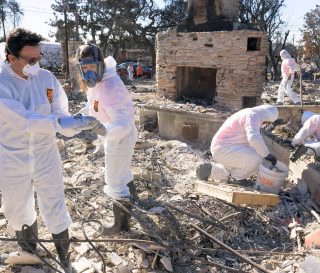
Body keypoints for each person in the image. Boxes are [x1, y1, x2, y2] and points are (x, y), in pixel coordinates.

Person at [0, 28, 100, 272]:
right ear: (11, 58)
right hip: (13, 157)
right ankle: (29, 257)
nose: (37, 64)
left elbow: (60, 111)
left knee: (55, 205)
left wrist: (73, 123)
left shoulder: (45, 78)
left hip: (46, 154)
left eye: (39, 58)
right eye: (31, 60)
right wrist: (58, 123)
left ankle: (64, 259)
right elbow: (24, 120)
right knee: (18, 209)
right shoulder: (2, 84)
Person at [76, 44, 137, 234]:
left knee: (114, 180)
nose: (89, 72)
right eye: (84, 68)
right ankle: (133, 198)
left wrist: (100, 129)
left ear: (100, 65)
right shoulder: (98, 84)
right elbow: (93, 106)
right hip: (113, 135)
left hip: (120, 138)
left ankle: (121, 226)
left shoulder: (110, 86)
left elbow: (123, 124)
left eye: (92, 67)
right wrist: (79, 118)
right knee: (123, 172)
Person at [196, 105, 279, 182]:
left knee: (233, 168)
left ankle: (211, 170)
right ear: (266, 116)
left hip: (222, 148)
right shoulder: (253, 116)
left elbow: (252, 142)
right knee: (257, 160)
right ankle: (234, 179)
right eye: (267, 122)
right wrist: (266, 155)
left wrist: (263, 153)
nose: (266, 125)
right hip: (225, 149)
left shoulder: (249, 113)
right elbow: (254, 138)